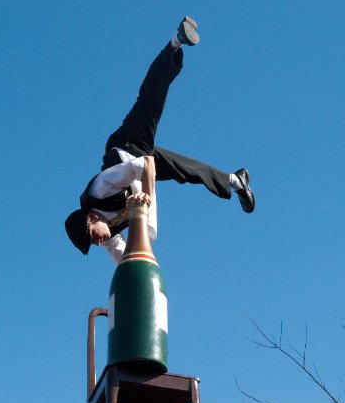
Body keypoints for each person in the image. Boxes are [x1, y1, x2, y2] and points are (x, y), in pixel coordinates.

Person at [65, 16, 255, 263]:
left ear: (91, 219)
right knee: (184, 170)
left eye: (92, 237)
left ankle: (176, 41)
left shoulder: (101, 189)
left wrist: (147, 205)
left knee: (150, 100)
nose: (98, 241)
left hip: (129, 146)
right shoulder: (108, 232)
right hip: (141, 167)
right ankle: (236, 181)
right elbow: (124, 259)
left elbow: (145, 165)